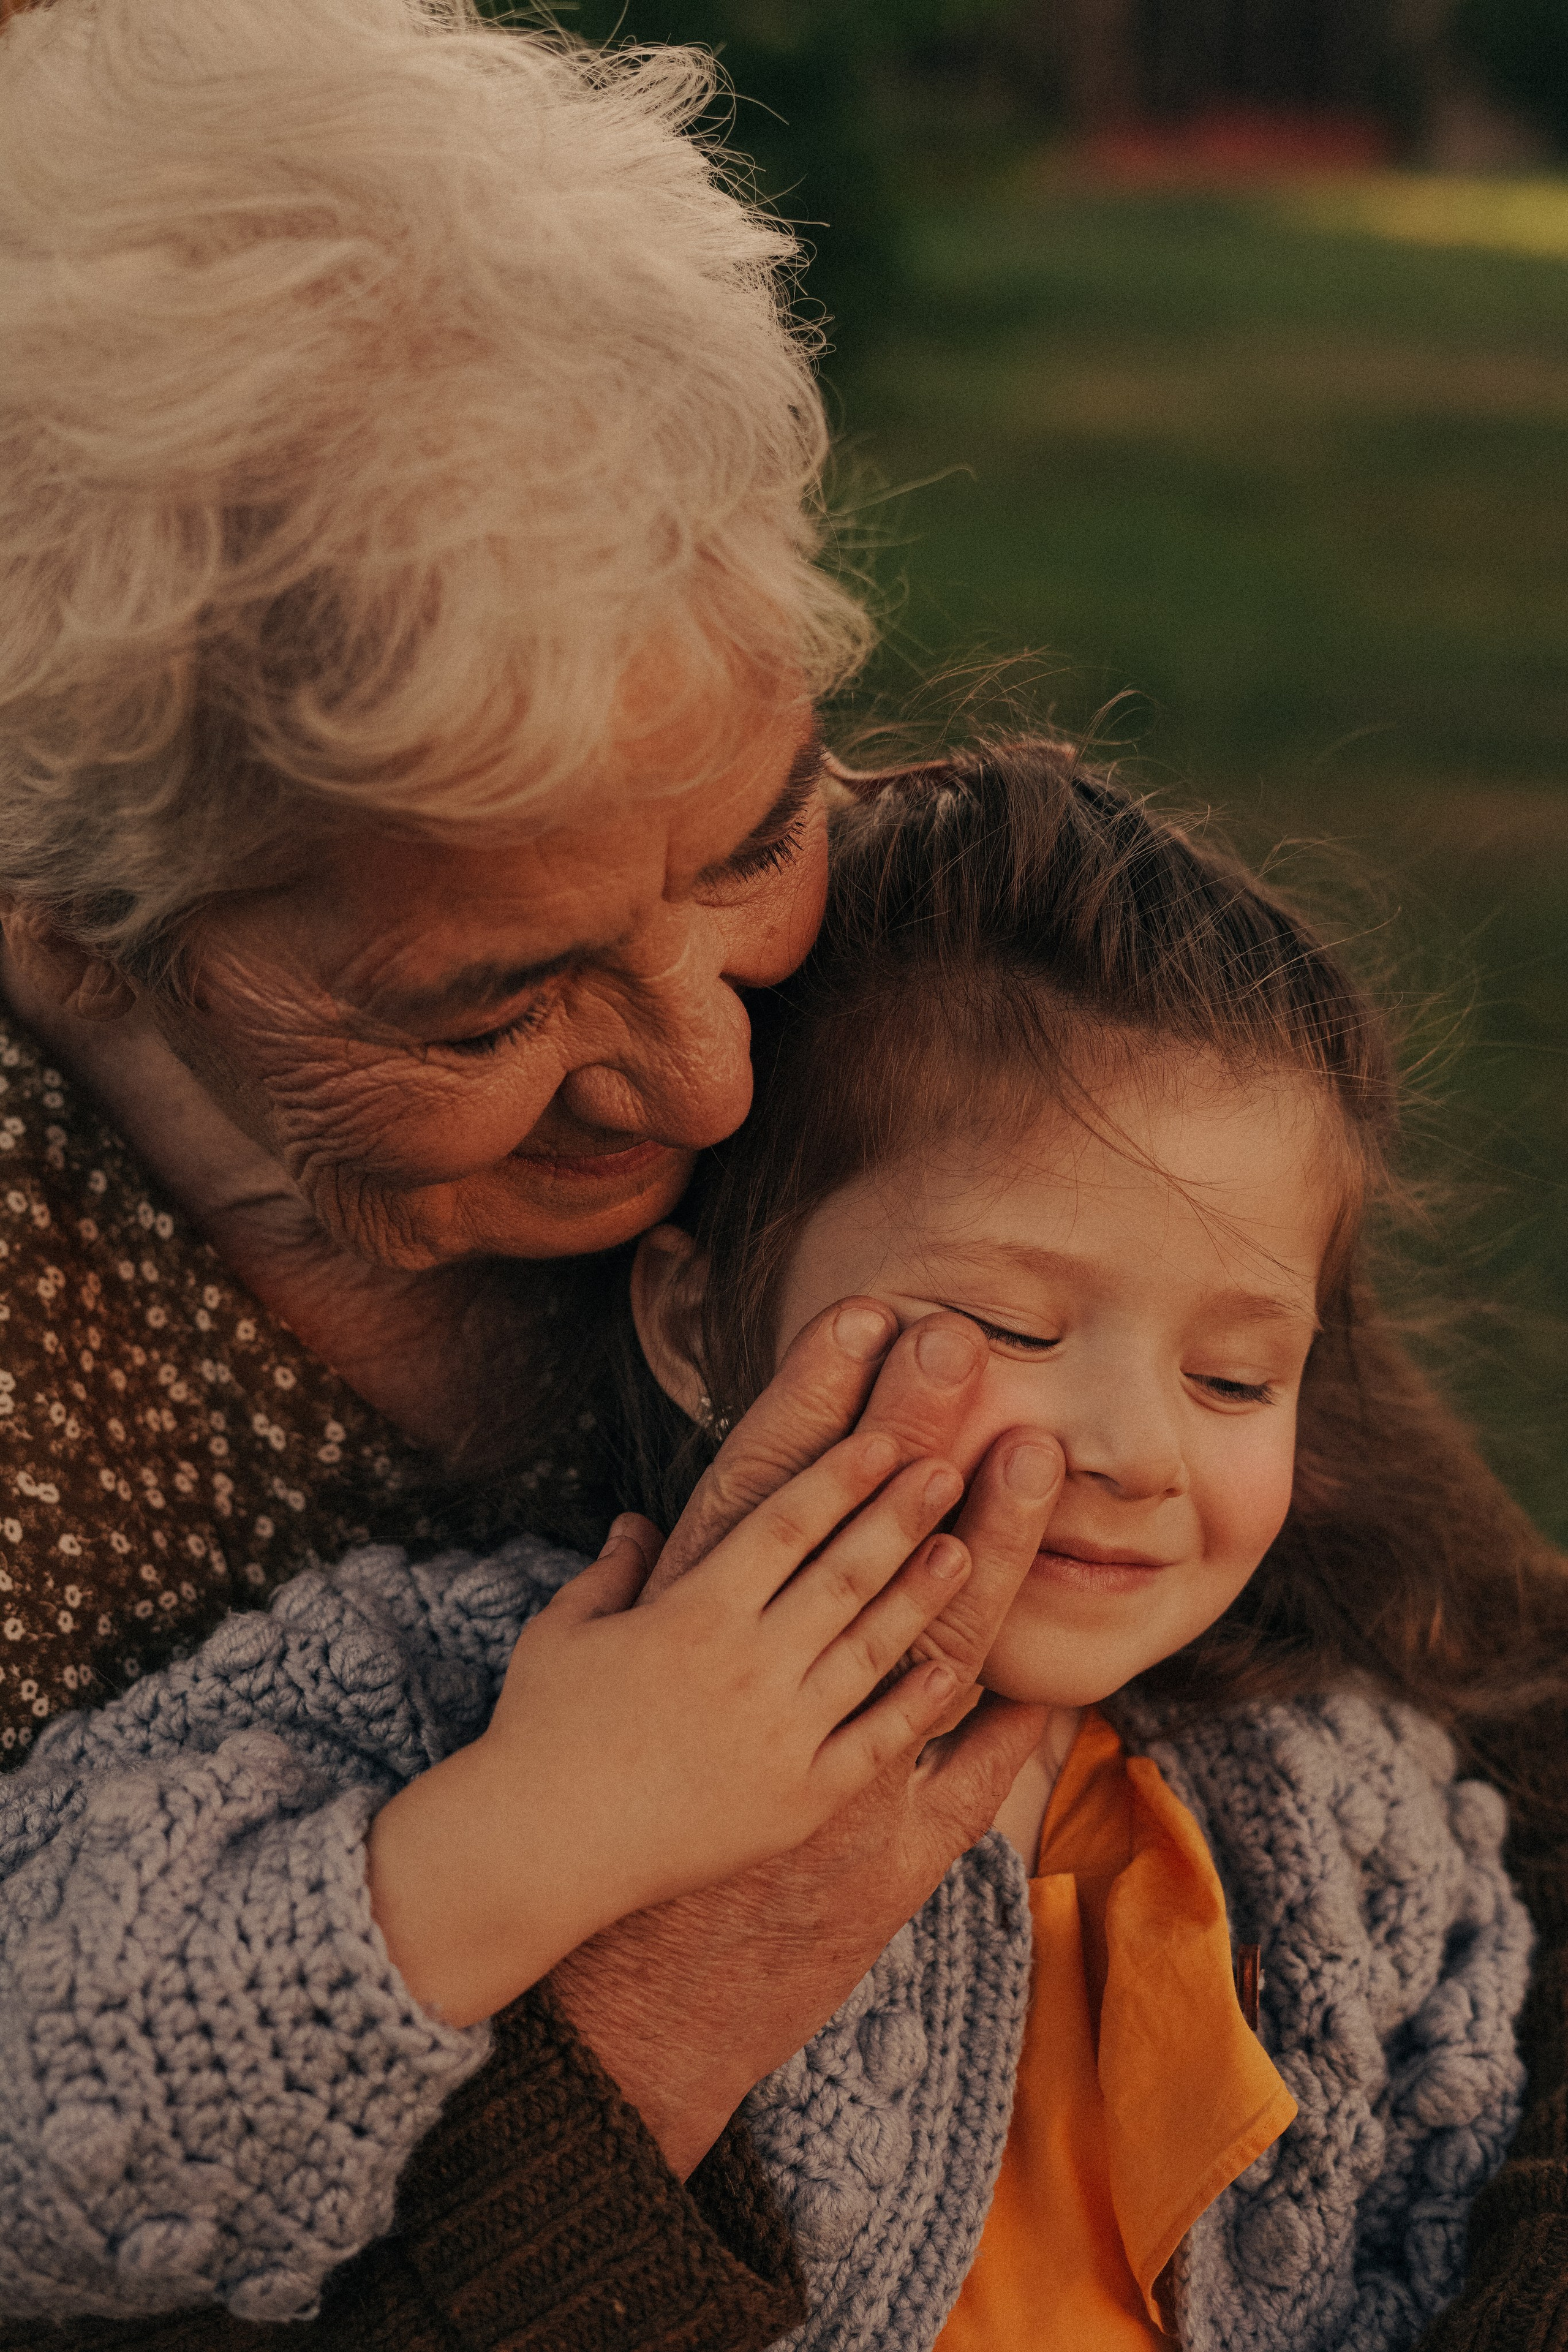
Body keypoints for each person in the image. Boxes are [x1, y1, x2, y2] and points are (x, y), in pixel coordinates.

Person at [2, 743, 1560, 2352]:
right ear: (698, 1324)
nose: (1140, 1448)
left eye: (1236, 1376)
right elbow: (38, 2117)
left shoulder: (1333, 1813)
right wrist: (539, 1824)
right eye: (1007, 1324)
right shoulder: (449, 1690)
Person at [0, 1, 1066, 2343]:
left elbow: (1488, 1696)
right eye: (487, 1011)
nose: (706, 1081)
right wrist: (642, 2035)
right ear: (74, 939)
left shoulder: (986, 1019)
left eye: (760, 836)